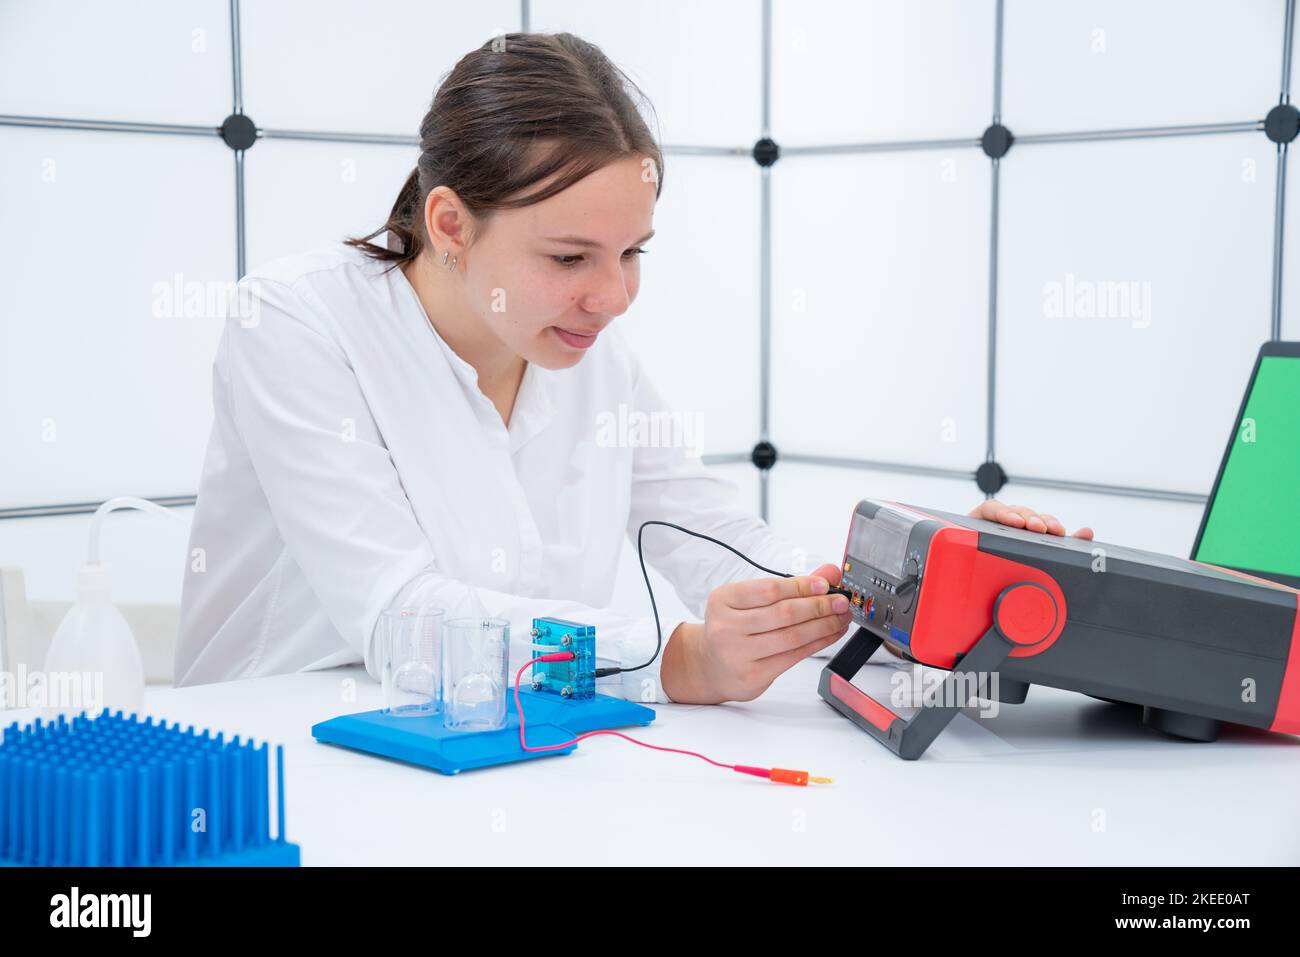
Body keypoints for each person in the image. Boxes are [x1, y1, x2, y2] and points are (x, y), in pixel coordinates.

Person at [175, 32, 1091, 704]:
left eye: (633, 252)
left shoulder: (584, 356)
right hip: (283, 766)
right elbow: (400, 619)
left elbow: (723, 542)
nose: (613, 298)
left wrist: (923, 588)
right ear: (450, 224)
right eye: (571, 258)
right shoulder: (294, 323)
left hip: (511, 762)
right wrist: (668, 660)